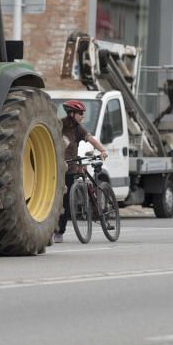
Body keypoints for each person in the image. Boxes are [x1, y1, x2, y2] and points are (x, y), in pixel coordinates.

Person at [54, 100, 108, 243]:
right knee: (54, 201)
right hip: (55, 169)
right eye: (80, 114)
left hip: (70, 170)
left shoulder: (78, 129)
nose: (82, 116)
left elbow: (90, 139)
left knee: (65, 203)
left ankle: (59, 232)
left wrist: (102, 150)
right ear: (72, 114)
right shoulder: (57, 126)